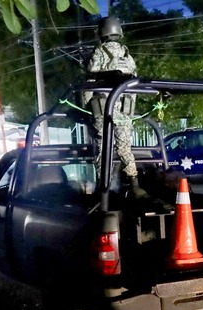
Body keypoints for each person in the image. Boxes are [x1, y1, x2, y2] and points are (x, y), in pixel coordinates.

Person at [82, 15, 147, 198]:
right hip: (125, 110)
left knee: (103, 149)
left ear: (101, 33)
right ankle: (135, 185)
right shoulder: (128, 55)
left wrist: (86, 107)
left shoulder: (99, 53)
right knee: (125, 148)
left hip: (104, 109)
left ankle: (105, 190)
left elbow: (89, 82)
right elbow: (133, 83)